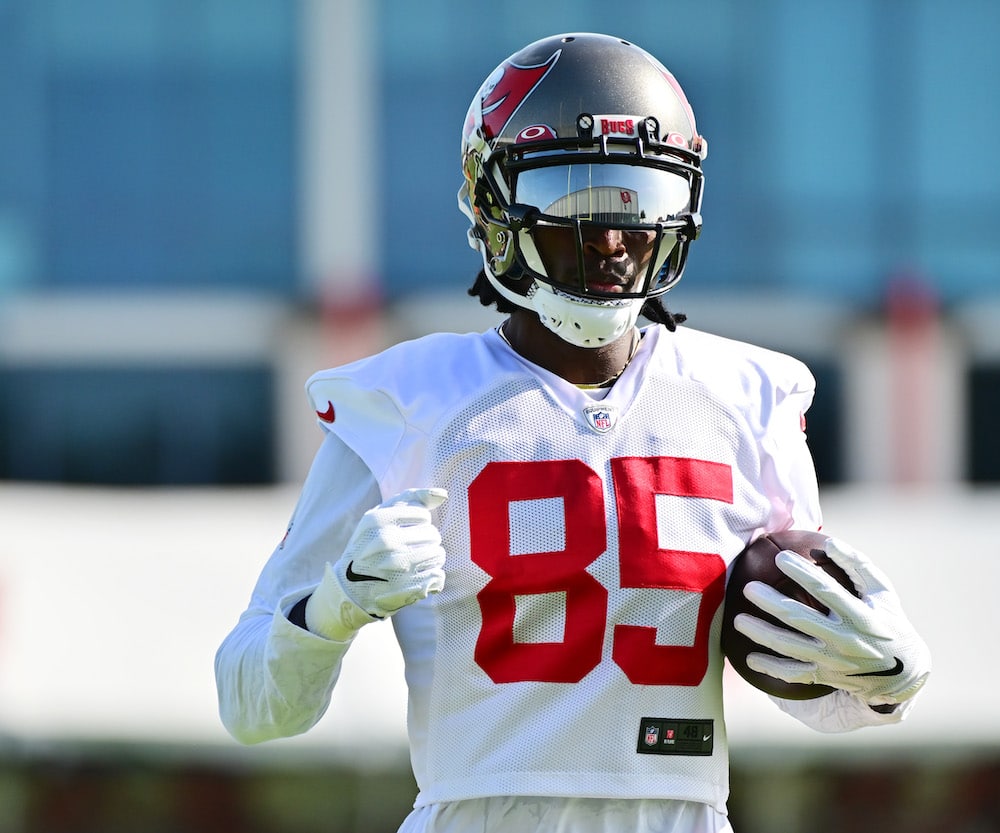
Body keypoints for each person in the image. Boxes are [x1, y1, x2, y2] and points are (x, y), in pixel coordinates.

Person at [215, 31, 931, 833]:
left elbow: (808, 676)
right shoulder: (404, 403)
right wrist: (337, 604)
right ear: (492, 204)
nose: (615, 235)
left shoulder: (748, 397)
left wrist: (886, 672)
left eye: (640, 198)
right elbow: (251, 704)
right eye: (574, 198)